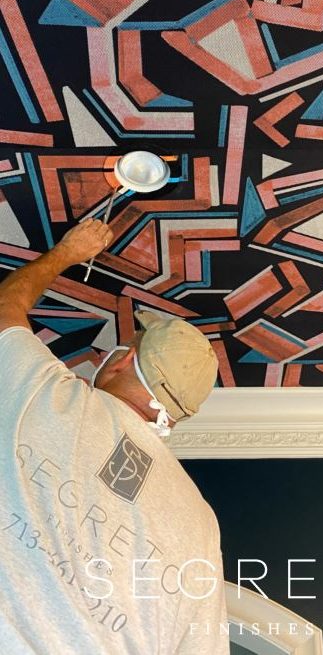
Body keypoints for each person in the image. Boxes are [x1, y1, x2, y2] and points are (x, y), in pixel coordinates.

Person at [0, 218, 230, 654]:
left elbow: (5, 306)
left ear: (123, 360)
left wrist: (67, 253)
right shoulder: (201, 524)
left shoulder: (50, 395)